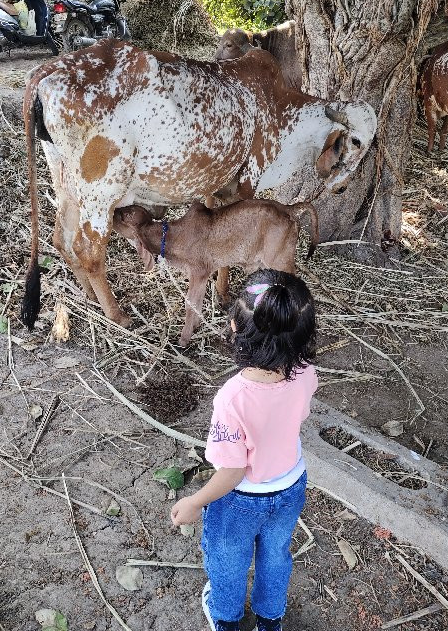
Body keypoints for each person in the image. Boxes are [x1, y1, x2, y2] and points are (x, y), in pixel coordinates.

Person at [170, 269, 318, 631]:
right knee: (275, 557)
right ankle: (270, 621)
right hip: (290, 486)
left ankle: (226, 619)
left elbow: (233, 471)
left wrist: (195, 501)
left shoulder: (232, 398)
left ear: (236, 330)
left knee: (227, 560)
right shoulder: (307, 374)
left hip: (241, 499)